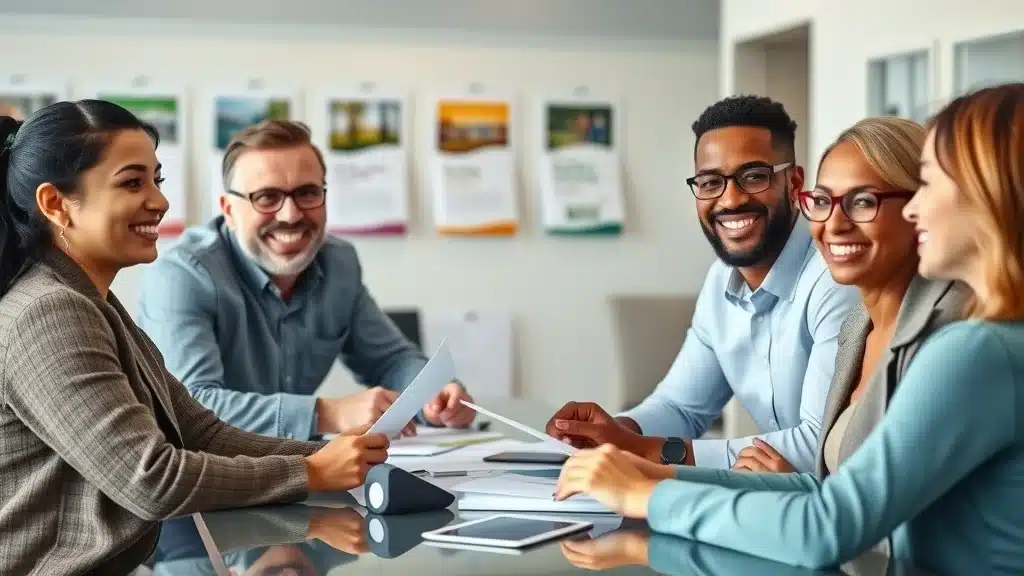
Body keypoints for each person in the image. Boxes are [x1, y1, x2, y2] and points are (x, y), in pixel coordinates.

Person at [554, 83, 1024, 573]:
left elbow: (827, 523)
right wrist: (650, 473)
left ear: (990, 195)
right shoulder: (864, 327)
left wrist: (649, 492)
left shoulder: (974, 348)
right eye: (823, 200)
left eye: (928, 184)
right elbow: (826, 489)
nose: (914, 208)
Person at [0, 102, 390, 575]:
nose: (160, 202)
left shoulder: (93, 302)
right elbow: (152, 479)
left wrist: (329, 457)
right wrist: (311, 472)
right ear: (56, 203)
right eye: (131, 182)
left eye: (156, 180)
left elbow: (200, 432)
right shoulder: (50, 312)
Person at [545, 95, 861, 472]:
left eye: (754, 176)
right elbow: (680, 406)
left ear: (794, 183)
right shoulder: (720, 281)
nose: (730, 199)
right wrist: (612, 431)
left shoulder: (834, 273)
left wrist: (645, 450)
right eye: (710, 182)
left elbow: (819, 443)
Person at [137, 120, 474, 440]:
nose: (291, 215)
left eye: (308, 193)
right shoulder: (182, 275)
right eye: (267, 197)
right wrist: (325, 414)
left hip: (296, 471)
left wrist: (433, 393)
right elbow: (189, 407)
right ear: (228, 210)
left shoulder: (338, 263)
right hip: (205, 480)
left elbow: (390, 360)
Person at [730, 117, 967, 475]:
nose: (835, 224)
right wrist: (657, 479)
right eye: (822, 200)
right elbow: (844, 494)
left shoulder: (950, 333)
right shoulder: (858, 325)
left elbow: (901, 522)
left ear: (920, 208)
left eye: (862, 201)